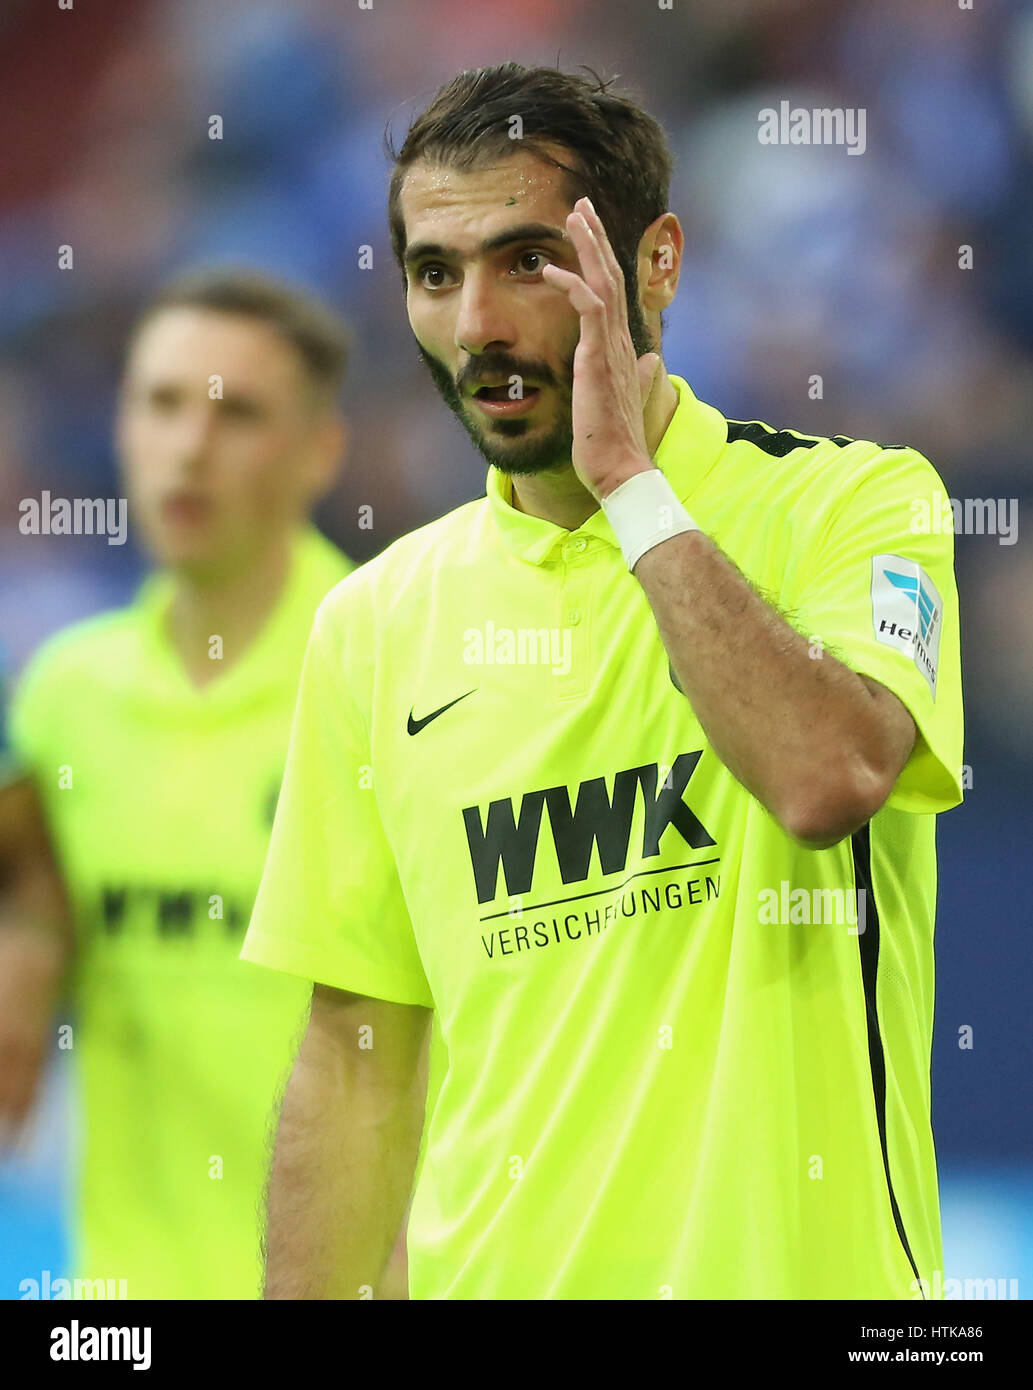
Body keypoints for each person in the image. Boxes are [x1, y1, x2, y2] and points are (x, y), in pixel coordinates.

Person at [242, 65, 964, 1300]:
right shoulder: (371, 623)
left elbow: (826, 773)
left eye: (527, 261)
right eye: (435, 273)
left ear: (657, 263)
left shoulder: (855, 501)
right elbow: (355, 1059)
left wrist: (633, 487)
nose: (477, 323)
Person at [1, 269, 411, 1298]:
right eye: (163, 402)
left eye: (238, 413)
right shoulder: (64, 694)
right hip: (117, 1301)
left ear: (321, 450)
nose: (189, 447)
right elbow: (34, 962)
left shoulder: (395, 674)